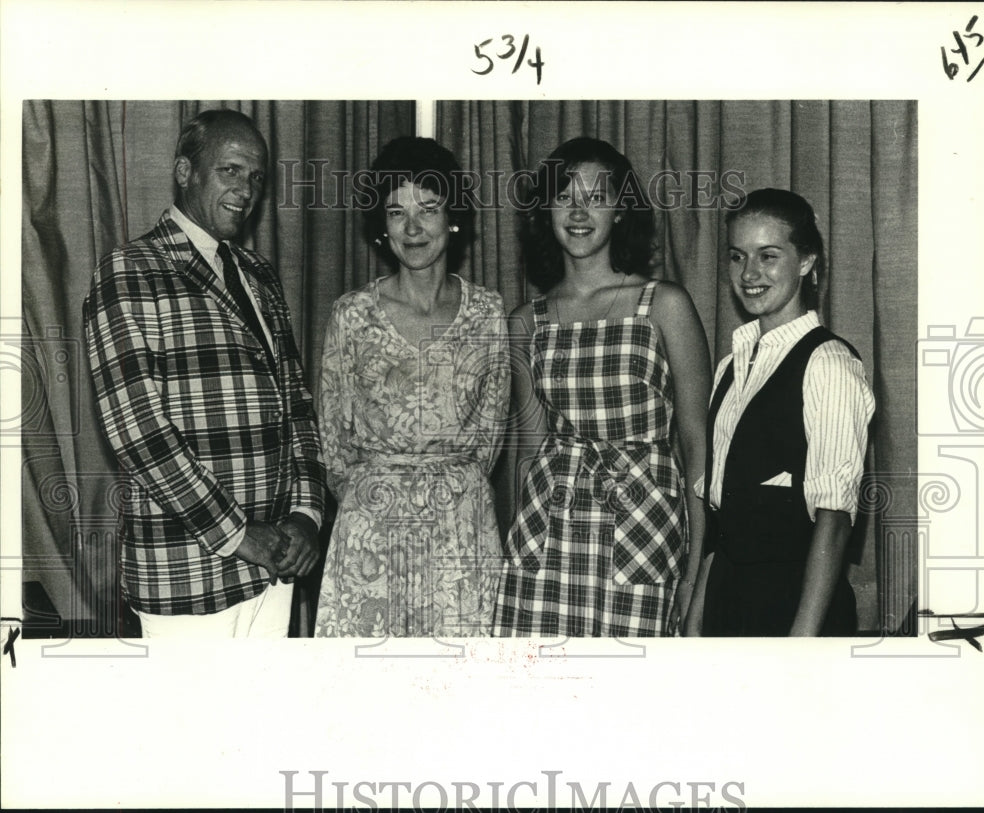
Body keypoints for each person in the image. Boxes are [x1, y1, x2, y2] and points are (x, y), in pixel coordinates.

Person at [83, 109, 326, 637]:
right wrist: (241, 535)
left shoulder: (259, 274)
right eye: (231, 170)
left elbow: (298, 408)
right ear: (185, 171)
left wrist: (306, 516)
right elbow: (139, 434)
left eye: (257, 177)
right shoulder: (129, 270)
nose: (247, 189)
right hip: (187, 575)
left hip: (276, 570)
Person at [493, 137, 711, 637]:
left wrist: (698, 567)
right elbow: (528, 451)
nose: (578, 210)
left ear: (621, 211)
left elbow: (700, 448)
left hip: (644, 525)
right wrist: (516, 549)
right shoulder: (527, 320)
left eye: (597, 196)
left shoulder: (664, 305)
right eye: (565, 195)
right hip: (547, 531)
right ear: (546, 209)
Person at [314, 137, 509, 637]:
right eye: (397, 212)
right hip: (371, 533)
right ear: (382, 226)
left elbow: (489, 441)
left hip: (461, 531)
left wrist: (445, 491)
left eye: (429, 209)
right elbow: (334, 441)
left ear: (453, 217)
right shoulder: (351, 315)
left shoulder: (488, 313)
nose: (414, 227)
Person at [685, 188, 875, 637]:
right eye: (737, 256)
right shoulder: (729, 368)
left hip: (795, 608)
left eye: (768, 256)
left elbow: (833, 524)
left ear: (807, 261)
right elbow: (719, 515)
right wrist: (695, 620)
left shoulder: (829, 364)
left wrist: (799, 647)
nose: (749, 273)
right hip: (727, 601)